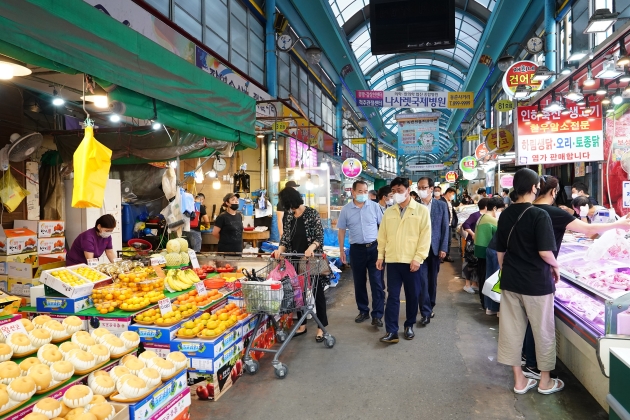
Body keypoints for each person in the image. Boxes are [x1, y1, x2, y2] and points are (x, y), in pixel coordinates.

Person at [517, 175, 630, 379]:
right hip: (540, 274)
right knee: (539, 322)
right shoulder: (551, 212)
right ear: (553, 192)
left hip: (521, 273)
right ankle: (534, 366)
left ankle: (526, 357)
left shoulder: (525, 210)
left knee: (528, 319)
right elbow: (588, 230)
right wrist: (618, 224)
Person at [496, 168, 563, 395]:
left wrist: (508, 271)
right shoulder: (539, 215)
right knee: (543, 331)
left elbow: (500, 253)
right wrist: (556, 266)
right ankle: (545, 382)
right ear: (534, 188)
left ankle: (519, 381)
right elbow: (545, 252)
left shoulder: (505, 214)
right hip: (537, 283)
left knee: (512, 330)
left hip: (511, 282)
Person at [376, 177, 431, 343]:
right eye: (393, 191)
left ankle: (409, 325)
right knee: (392, 296)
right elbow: (382, 236)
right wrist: (380, 256)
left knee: (412, 295)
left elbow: (425, 237)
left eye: (399, 191)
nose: (396, 194)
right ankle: (392, 330)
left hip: (411, 262)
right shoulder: (389, 212)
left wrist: (418, 258)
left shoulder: (421, 210)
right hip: (393, 261)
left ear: (408, 189)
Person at [272, 187, 328, 341]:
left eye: (291, 206)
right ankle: (301, 324)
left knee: (317, 293)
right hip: (295, 259)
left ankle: (321, 327)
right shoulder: (289, 215)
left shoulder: (311, 213)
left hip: (312, 259)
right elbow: (285, 238)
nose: (291, 210)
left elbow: (319, 236)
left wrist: (311, 247)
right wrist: (280, 250)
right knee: (299, 294)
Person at [338, 180, 384, 327]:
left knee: (377, 282)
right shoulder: (346, 210)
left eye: (365, 191)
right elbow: (341, 230)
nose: (363, 194)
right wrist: (341, 251)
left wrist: (383, 250)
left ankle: (377, 315)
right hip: (356, 249)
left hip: (374, 248)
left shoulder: (375, 207)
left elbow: (383, 227)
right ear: (353, 192)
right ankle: (363, 311)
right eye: (360, 191)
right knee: (359, 282)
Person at [417, 177, 449, 325]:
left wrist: (444, 247)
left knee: (432, 280)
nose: (421, 190)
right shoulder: (414, 206)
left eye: (424, 187)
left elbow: (445, 228)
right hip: (418, 250)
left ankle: (430, 305)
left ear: (431, 189)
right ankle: (425, 311)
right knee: (422, 280)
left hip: (435, 249)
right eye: (419, 187)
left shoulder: (441, 206)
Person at [474, 197, 505, 311]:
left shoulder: (481, 217)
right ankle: (487, 304)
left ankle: (484, 302)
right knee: (487, 278)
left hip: (480, 250)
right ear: (495, 208)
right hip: (486, 251)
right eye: (501, 210)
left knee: (483, 276)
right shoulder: (491, 220)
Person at [461, 197, 488, 293]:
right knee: (469, 263)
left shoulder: (486, 216)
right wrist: (473, 234)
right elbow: (465, 225)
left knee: (477, 264)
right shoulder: (475, 215)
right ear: (486, 206)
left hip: (480, 243)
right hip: (471, 244)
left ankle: (474, 283)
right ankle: (467, 285)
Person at [441, 187, 457, 263]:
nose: (453, 196)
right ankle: (441, 256)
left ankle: (446, 255)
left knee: (448, 241)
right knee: (442, 240)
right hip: (443, 225)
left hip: (449, 224)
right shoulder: (441, 201)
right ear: (448, 192)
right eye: (452, 194)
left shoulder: (449, 202)